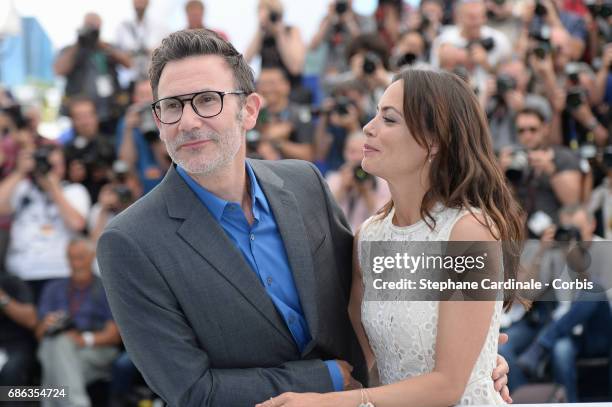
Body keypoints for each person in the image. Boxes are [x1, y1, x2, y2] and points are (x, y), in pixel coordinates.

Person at [96, 30, 510, 407]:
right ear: (157, 120)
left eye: (207, 100)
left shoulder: (305, 184)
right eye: (171, 106)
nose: (188, 121)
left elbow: (409, 311)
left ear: (250, 110)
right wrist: (326, 379)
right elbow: (191, 391)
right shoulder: (130, 241)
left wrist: (476, 351)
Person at [258, 69, 523, 406]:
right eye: (375, 114)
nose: (368, 127)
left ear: (434, 141)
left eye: (389, 119)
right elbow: (364, 366)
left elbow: (448, 386)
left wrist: (326, 403)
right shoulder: (369, 237)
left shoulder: (469, 231)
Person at [37, 238, 120, 407]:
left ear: (91, 257)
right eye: (71, 258)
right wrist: (47, 324)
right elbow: (39, 335)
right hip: (61, 350)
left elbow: (114, 335)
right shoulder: (54, 288)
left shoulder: (106, 287)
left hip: (95, 348)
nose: (76, 263)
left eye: (80, 257)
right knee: (56, 346)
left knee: (54, 355)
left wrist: (84, 339)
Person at [0, 145, 90, 301]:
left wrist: (53, 187)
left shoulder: (74, 190)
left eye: (56, 165)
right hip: (20, 273)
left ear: (64, 167)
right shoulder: (23, 188)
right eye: (47, 163)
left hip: (58, 273)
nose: (50, 169)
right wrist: (19, 172)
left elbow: (77, 224)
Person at [0, 273, 37, 385]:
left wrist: (2, 299)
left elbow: (32, 320)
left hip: (14, 345)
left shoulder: (12, 282)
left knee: (12, 370)